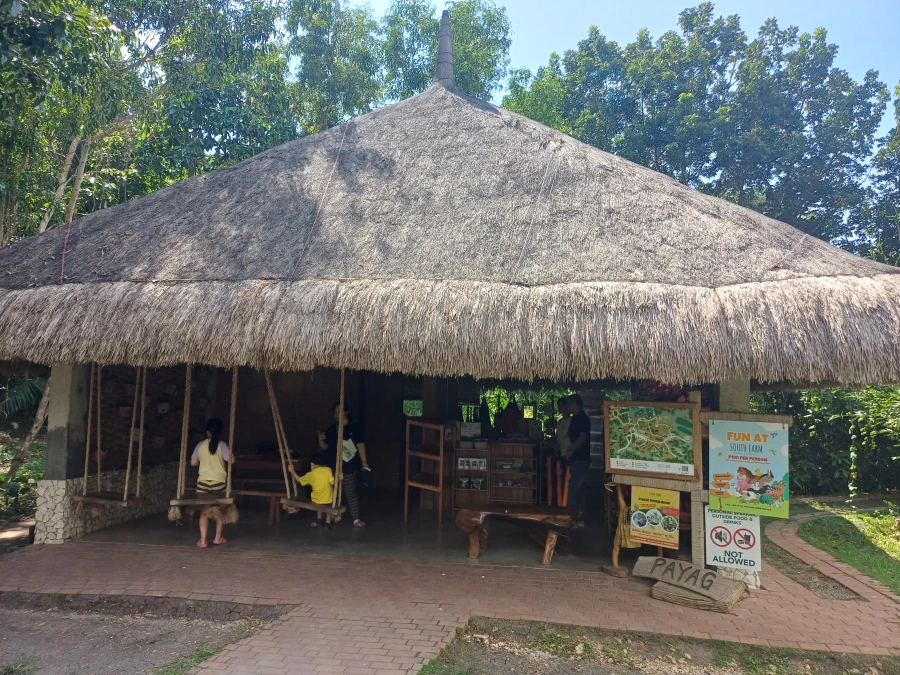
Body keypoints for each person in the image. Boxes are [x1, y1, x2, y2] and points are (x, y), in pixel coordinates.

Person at [318, 401, 369, 528]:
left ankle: (356, 518)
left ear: (347, 412)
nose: (337, 414)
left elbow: (360, 445)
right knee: (328, 492)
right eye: (335, 412)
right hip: (332, 465)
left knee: (350, 491)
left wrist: (364, 461)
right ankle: (323, 518)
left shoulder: (354, 428)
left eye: (340, 411)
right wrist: (320, 439)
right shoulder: (332, 429)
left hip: (348, 465)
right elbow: (325, 446)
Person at [191, 417, 234, 547]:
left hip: (203, 482)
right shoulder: (222, 445)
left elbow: (193, 463)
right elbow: (231, 461)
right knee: (220, 509)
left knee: (204, 510)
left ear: (207, 431)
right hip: (219, 482)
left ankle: (203, 541)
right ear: (220, 431)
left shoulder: (200, 445)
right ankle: (218, 538)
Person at [289, 452, 335, 530]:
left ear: (312, 464)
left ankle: (319, 519)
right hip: (328, 499)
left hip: (317, 499)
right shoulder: (328, 470)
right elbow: (332, 483)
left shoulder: (311, 474)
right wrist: (339, 478)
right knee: (329, 507)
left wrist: (292, 471)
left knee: (317, 502)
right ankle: (327, 522)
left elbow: (299, 480)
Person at [565, 394, 591, 527]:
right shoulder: (575, 418)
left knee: (574, 489)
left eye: (569, 404)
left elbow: (583, 437)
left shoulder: (582, 418)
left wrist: (572, 448)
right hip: (577, 458)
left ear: (574, 405)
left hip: (580, 458)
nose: (567, 407)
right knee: (579, 490)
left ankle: (573, 518)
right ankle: (580, 518)